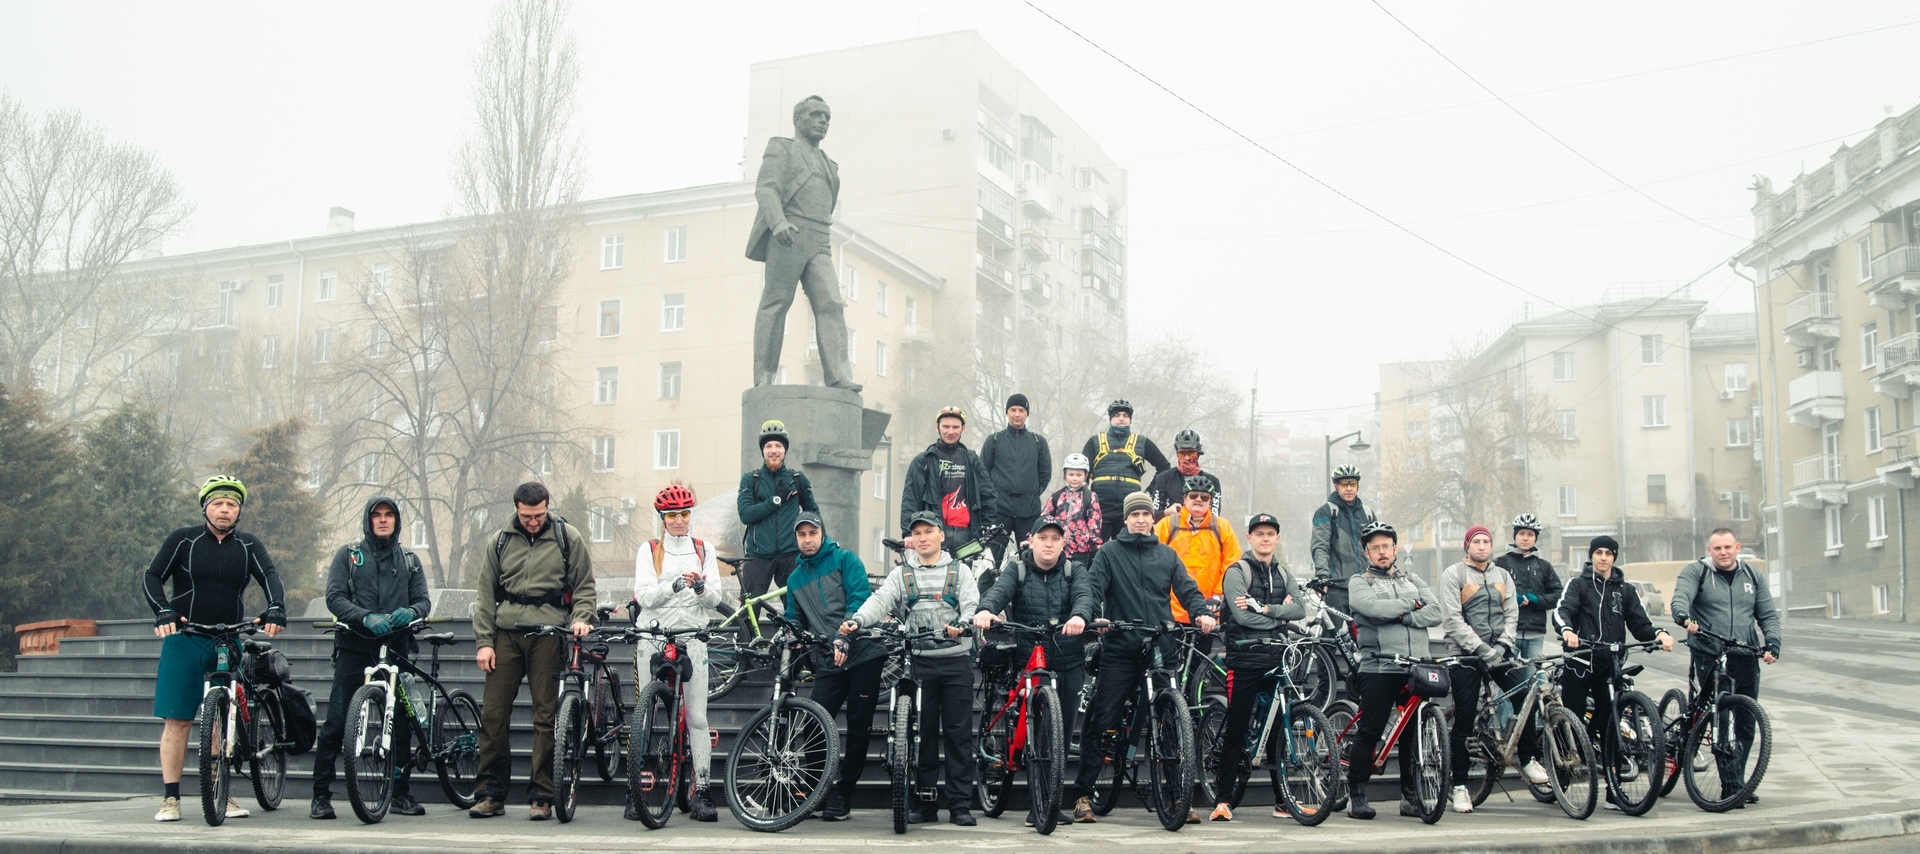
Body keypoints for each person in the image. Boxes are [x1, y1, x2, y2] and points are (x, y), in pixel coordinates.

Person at [143, 475, 287, 822]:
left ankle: (222, 792)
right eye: (219, 503)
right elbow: (151, 576)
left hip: (227, 639)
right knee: (177, 721)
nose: (225, 510)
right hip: (185, 637)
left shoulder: (248, 545)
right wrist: (163, 610)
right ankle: (171, 798)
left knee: (223, 718)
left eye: (232, 504)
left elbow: (270, 576)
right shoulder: (184, 539)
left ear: (239, 511)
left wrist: (277, 606)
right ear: (206, 507)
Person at [1068, 492, 1217, 825]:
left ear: (1153, 519)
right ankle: (1081, 794)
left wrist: (1201, 613)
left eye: (1145, 514)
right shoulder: (1108, 552)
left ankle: (1178, 796)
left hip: (1162, 646)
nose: (1139, 519)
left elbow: (1188, 590)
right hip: (1121, 646)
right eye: (1133, 514)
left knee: (1172, 725)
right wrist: (1090, 616)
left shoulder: (1167, 554)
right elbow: (1093, 589)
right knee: (1103, 717)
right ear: (1126, 519)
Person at [469, 482, 597, 821]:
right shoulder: (499, 540)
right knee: (493, 714)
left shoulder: (567, 537)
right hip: (506, 633)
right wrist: (484, 641)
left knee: (545, 717)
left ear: (547, 507)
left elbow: (584, 585)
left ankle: (541, 796)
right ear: (516, 509)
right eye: (527, 515)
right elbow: (484, 595)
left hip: (548, 632)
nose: (533, 521)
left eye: (539, 514)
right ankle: (491, 794)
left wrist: (582, 618)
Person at [844, 511, 980, 826]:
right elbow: (880, 601)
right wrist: (858, 620)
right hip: (919, 663)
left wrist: (963, 622)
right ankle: (926, 802)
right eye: (917, 533)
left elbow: (972, 604)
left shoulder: (960, 572)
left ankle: (960, 805)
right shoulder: (902, 574)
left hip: (956, 662)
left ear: (941, 535)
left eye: (929, 531)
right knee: (923, 735)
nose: (922, 538)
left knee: (959, 736)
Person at [311, 497, 431, 820]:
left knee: (401, 724)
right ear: (368, 519)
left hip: (396, 647)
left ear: (396, 521)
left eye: (389, 515)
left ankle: (400, 793)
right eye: (376, 515)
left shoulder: (409, 560)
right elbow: (334, 597)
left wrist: (412, 612)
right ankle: (321, 796)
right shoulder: (349, 556)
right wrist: (365, 617)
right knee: (337, 722)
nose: (382, 520)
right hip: (355, 647)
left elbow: (423, 600)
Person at [973, 517, 1088, 827]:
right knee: (1036, 728)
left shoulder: (1073, 570)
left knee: (1059, 734)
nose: (1049, 543)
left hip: (1068, 660)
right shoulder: (1018, 569)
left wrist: (1079, 616)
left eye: (1055, 538)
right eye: (1043, 537)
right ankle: (1035, 797)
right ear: (1032, 541)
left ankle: (1047, 802)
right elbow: (999, 592)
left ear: (1064, 543)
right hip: (1030, 659)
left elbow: (1084, 596)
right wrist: (986, 609)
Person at [746, 95, 859, 392]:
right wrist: (778, 221)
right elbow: (766, 189)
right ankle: (765, 376)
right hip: (789, 233)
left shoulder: (829, 165)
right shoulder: (781, 148)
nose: (823, 121)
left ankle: (838, 376)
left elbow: (828, 204)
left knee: (832, 303)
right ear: (798, 119)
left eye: (827, 117)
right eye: (816, 115)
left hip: (820, 237)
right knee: (776, 302)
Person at [1555, 535, 1674, 810]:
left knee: (1611, 722)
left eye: (1609, 553)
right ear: (1592, 555)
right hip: (1581, 662)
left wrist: (1659, 634)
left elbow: (1640, 622)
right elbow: (1563, 611)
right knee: (1570, 719)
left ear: (1614, 557)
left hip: (1611, 665)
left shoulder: (1626, 590)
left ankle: (1613, 787)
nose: (1603, 557)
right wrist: (1568, 631)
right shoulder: (1579, 584)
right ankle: (1560, 780)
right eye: (1599, 552)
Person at [628, 483, 723, 823]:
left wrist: (699, 586)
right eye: (672, 515)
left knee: (697, 718)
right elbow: (643, 596)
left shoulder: (703, 549)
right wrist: (675, 585)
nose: (680, 521)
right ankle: (634, 791)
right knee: (646, 714)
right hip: (653, 636)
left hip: (693, 638)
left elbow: (714, 598)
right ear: (662, 518)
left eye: (685, 514)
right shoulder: (650, 549)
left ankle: (703, 792)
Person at [1669, 528, 1780, 806]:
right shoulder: (1697, 572)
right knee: (1722, 719)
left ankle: (1738, 781)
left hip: (1745, 655)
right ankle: (1731, 786)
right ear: (1709, 549)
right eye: (1717, 548)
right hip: (1710, 654)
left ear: (1738, 547)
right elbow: (1681, 596)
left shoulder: (1753, 576)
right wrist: (1683, 617)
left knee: (1746, 723)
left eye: (1728, 547)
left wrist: (1773, 644)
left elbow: (1767, 613)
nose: (1723, 552)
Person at [1437, 526, 1542, 814]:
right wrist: (1482, 649)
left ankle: (1529, 758)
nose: (1482, 547)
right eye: (1476, 542)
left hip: (1498, 651)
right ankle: (1459, 786)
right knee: (1465, 718)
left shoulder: (1502, 575)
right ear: (1467, 545)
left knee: (1525, 695)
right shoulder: (1453, 574)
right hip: (1465, 655)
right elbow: (1453, 620)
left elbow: (1512, 613)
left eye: (1486, 542)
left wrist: (1504, 645)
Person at [788, 511, 885, 821]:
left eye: (812, 533)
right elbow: (794, 617)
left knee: (858, 726)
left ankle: (843, 794)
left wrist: (846, 633)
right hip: (828, 661)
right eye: (801, 535)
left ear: (822, 534)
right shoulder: (794, 579)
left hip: (864, 653)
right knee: (815, 723)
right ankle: (817, 792)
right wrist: (789, 633)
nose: (807, 539)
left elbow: (860, 598)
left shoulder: (846, 560)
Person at [1208, 512, 1306, 821]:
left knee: (1278, 730)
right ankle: (1223, 800)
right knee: (1237, 729)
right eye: (1259, 533)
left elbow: (1301, 609)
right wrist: (1280, 616)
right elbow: (1241, 617)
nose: (1265, 538)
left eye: (1270, 533)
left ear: (1277, 538)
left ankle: (1282, 802)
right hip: (1244, 658)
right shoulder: (1238, 571)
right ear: (1249, 538)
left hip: (1275, 657)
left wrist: (1265, 608)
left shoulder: (1284, 573)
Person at [1343, 521, 1441, 821]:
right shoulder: (1360, 581)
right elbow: (1372, 609)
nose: (1382, 552)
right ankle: (1357, 796)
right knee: (1371, 730)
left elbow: (1435, 611)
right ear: (1367, 553)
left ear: (1395, 549)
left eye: (1386, 546)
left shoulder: (1413, 579)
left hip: (1416, 667)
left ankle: (1410, 798)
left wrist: (1404, 615)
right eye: (1376, 548)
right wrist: (1411, 605)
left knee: (1411, 734)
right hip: (1379, 665)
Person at [737, 419, 819, 610]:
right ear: (763, 451)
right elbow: (745, 514)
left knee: (800, 611)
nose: (773, 450)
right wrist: (775, 501)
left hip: (791, 555)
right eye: (768, 446)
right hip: (757, 556)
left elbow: (813, 514)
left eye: (778, 446)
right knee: (748, 614)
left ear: (785, 450)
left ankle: (796, 641)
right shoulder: (751, 480)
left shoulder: (797, 479)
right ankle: (744, 641)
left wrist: (815, 544)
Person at [900, 406, 998, 557]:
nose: (950, 431)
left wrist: (987, 525)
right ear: (937, 427)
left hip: (967, 535)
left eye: (955, 427)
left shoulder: (972, 460)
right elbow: (910, 497)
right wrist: (908, 531)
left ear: (963, 429)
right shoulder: (923, 461)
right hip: (933, 533)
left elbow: (988, 494)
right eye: (945, 426)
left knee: (965, 579)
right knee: (934, 579)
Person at [1153, 476, 1240, 627]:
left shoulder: (1222, 527)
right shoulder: (1167, 525)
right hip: (1170, 612)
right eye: (1193, 495)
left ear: (1210, 502)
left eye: (1204, 497)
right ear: (1185, 499)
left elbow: (1231, 564)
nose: (1199, 499)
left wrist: (1217, 595)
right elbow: (1151, 560)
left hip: (1207, 612)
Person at [1081, 400, 1171, 541]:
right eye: (1117, 415)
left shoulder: (1141, 441)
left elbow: (1164, 467)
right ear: (1110, 418)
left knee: (1126, 551)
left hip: (1128, 508)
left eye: (1125, 415)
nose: (1121, 418)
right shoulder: (1095, 441)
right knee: (1095, 550)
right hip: (1099, 506)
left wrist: (1149, 493)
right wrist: (1085, 495)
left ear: (1130, 419)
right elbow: (1082, 469)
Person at [980, 393, 1052, 561]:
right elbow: (983, 473)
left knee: (1030, 560)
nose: (1017, 414)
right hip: (999, 511)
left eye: (1021, 410)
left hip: (1028, 511)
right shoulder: (994, 440)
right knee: (990, 561)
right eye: (1013, 410)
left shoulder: (1038, 442)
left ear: (1027, 413)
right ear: (1007, 412)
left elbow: (1045, 474)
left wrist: (1031, 492)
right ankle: (988, 589)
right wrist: (994, 496)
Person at [1309, 465, 1377, 637]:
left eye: (1352, 484)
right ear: (1336, 486)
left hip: (1363, 586)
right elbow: (1320, 546)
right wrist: (1322, 575)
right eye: (1344, 484)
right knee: (1329, 639)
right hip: (1336, 587)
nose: (1348, 488)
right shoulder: (1326, 512)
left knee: (1366, 636)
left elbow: (1376, 547)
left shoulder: (1367, 514)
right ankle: (1327, 665)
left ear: (1357, 486)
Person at [1495, 514, 1562, 663]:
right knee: (1507, 678)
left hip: (1535, 634)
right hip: (1507, 632)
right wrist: (1510, 600)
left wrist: (1537, 600)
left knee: (1532, 678)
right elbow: (1490, 594)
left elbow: (1558, 595)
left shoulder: (1544, 566)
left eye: (1530, 534)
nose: (1525, 538)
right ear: (1515, 535)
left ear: (1536, 538)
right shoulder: (1500, 564)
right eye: (1521, 533)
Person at [1041, 453, 1103, 569]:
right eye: (1071, 474)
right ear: (1065, 475)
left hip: (1081, 551)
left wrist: (1097, 548)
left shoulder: (1090, 497)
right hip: (1058, 549)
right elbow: (1044, 518)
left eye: (1079, 475)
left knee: (1079, 579)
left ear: (1085, 476)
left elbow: (1094, 524)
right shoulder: (1057, 495)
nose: (1075, 478)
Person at [1148, 430, 1222, 517]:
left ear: (1198, 454)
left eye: (1191, 453)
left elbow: (1215, 515)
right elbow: (1152, 515)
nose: (1186, 458)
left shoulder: (1212, 481)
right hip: (1170, 528)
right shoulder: (1163, 478)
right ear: (1177, 454)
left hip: (1201, 529)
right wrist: (1166, 512)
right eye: (1182, 453)